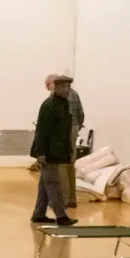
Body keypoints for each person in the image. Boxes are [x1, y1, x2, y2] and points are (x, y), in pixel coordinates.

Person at [31, 75, 77, 226]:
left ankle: (38, 214)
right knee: (53, 183)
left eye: (67, 87)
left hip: (58, 150)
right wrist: (40, 153)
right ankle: (61, 216)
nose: (66, 89)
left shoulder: (63, 104)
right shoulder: (49, 105)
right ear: (54, 88)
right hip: (49, 151)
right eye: (62, 87)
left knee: (45, 184)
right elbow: (41, 130)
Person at [46, 73, 85, 209]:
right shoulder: (75, 94)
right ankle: (72, 199)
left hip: (63, 131)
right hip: (74, 129)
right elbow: (81, 114)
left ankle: (64, 199)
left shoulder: (56, 96)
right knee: (70, 165)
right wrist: (77, 127)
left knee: (61, 165)